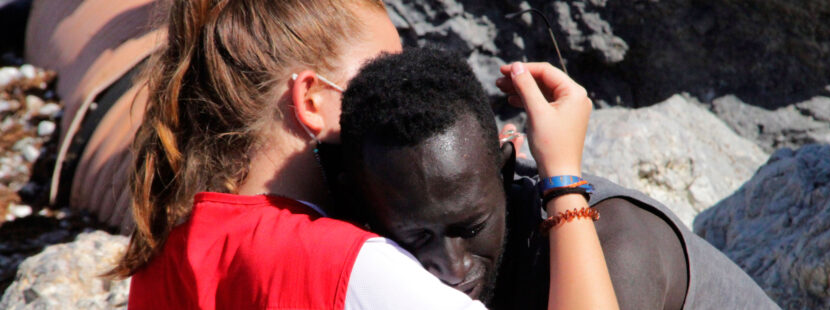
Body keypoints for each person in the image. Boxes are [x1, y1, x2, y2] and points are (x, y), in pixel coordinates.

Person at [94, 0, 618, 309]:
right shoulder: (347, 267)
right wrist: (562, 179)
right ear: (311, 101)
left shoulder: (167, 251)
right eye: (380, 72)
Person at [338, 48, 781, 310]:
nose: (451, 271)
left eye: (471, 228)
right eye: (415, 238)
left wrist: (562, 180)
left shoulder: (619, 247)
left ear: (507, 167)